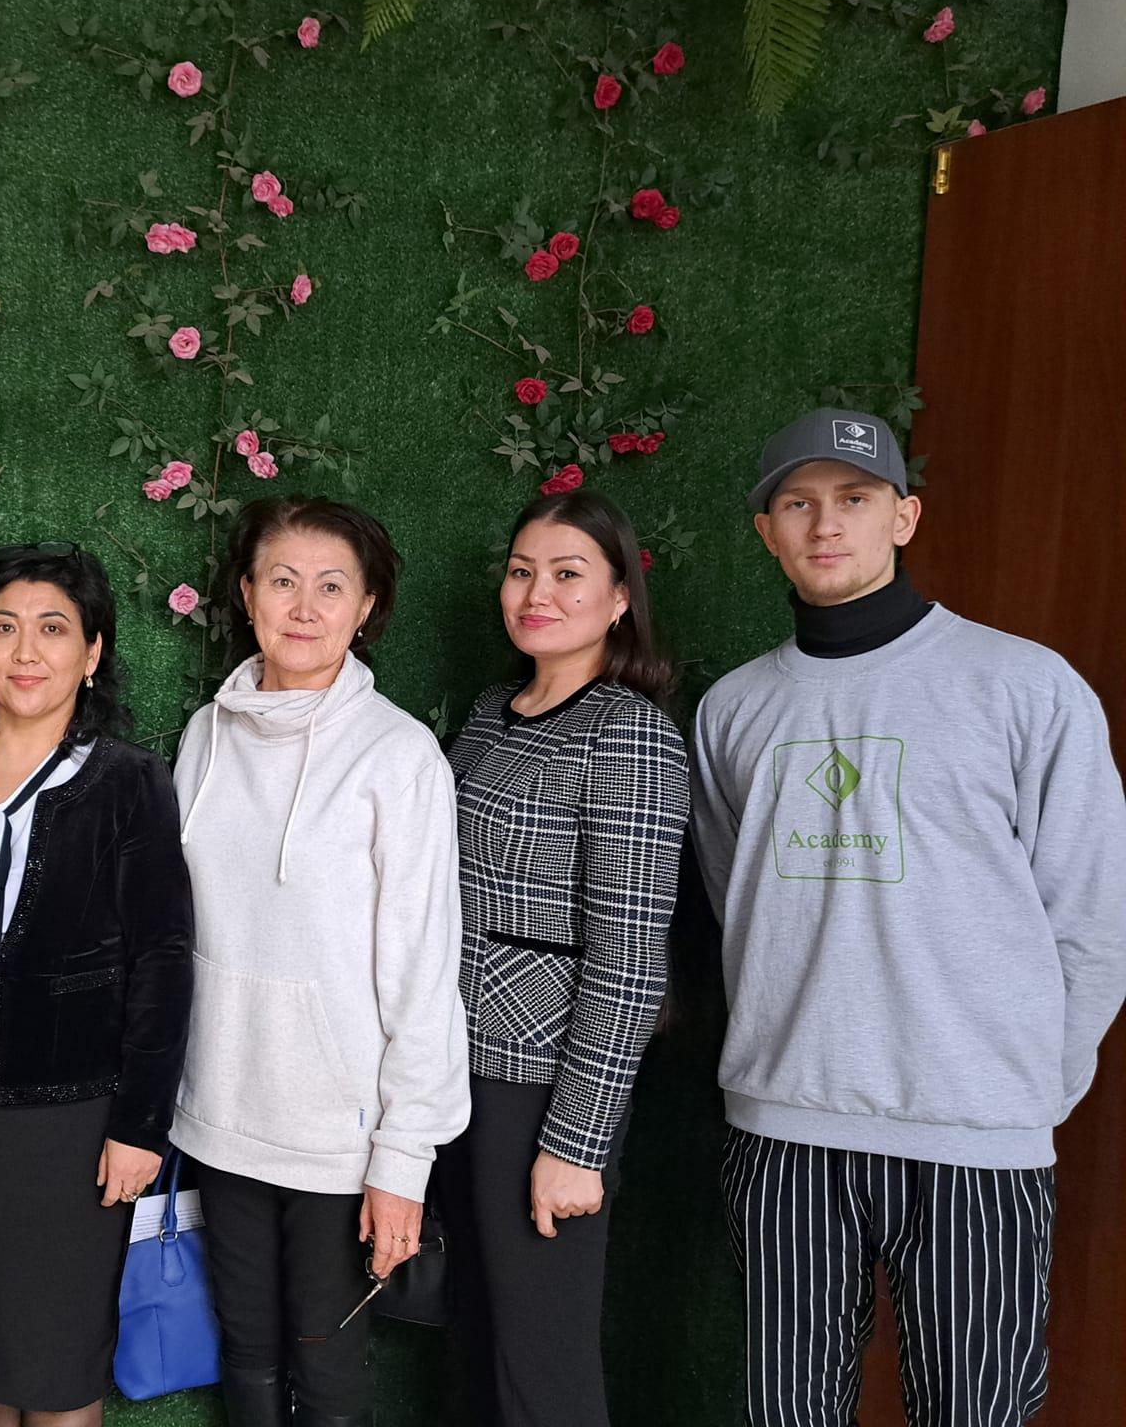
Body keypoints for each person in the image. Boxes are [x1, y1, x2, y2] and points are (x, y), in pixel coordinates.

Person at [690, 408, 1126, 1426]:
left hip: (977, 1133)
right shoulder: (733, 709)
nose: (824, 524)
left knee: (973, 1410)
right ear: (764, 532)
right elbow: (734, 900)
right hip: (784, 1127)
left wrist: (1025, 1093)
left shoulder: (1024, 686)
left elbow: (1092, 917)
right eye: (796, 504)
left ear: (903, 517)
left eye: (854, 498)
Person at [172, 496, 469, 1427]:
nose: (305, 607)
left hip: (341, 1136)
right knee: (245, 1351)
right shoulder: (206, 734)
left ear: (366, 607)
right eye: (284, 581)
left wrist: (404, 1158)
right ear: (248, 594)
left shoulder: (400, 756)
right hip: (219, 1110)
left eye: (332, 587)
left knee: (325, 1362)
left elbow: (424, 968)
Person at [0, 542, 194, 1427]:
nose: (27, 651)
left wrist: (139, 1127)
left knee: (57, 1362)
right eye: (4, 627)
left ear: (92, 654)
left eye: (54, 629)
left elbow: (164, 959)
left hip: (76, 1111)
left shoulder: (128, 781)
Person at [441, 489, 687, 1427]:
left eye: (567, 573)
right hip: (453, 1070)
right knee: (475, 1340)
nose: (536, 592)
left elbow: (630, 960)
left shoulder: (631, 735)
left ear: (619, 598)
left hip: (543, 1085)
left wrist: (575, 1146)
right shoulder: (490, 711)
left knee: (542, 1363)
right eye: (521, 571)